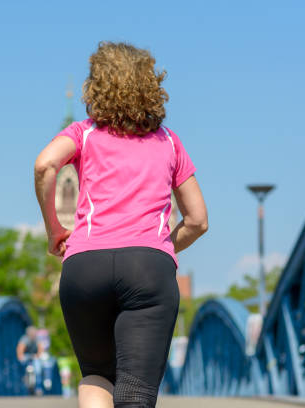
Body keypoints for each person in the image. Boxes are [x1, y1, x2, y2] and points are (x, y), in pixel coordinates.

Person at [34, 42, 208, 408]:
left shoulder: (83, 133)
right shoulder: (168, 142)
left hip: (84, 267)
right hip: (148, 269)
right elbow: (197, 220)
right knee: (135, 394)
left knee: (97, 374)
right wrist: (158, 247)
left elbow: (45, 165)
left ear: (95, 88)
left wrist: (54, 230)